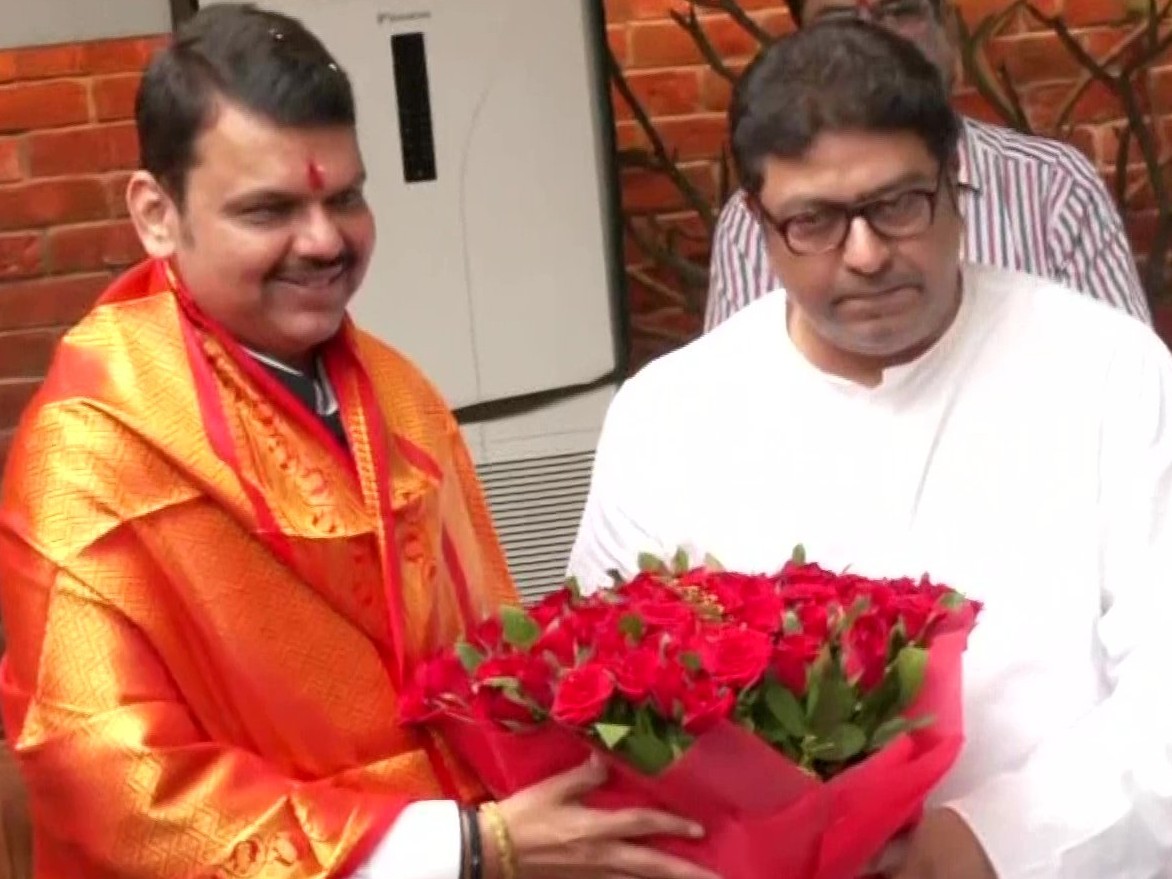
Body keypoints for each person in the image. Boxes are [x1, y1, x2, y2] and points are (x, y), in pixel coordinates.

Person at [0, 5, 719, 879]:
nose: (324, 240)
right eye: (269, 210)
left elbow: (493, 661)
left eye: (344, 197)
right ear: (157, 214)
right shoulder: (93, 448)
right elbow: (113, 785)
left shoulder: (398, 396)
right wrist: (466, 845)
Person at [568, 20, 1172, 879]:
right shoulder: (668, 415)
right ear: (758, 222)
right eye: (814, 220)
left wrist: (987, 843)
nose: (866, 254)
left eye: (897, 204)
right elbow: (611, 699)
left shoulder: (1108, 371)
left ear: (954, 182)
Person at [702, 0, 1151, 331]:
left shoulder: (1053, 187)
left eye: (899, 10)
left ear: (947, 30)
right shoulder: (754, 221)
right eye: (839, 19)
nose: (870, 37)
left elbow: (1124, 388)